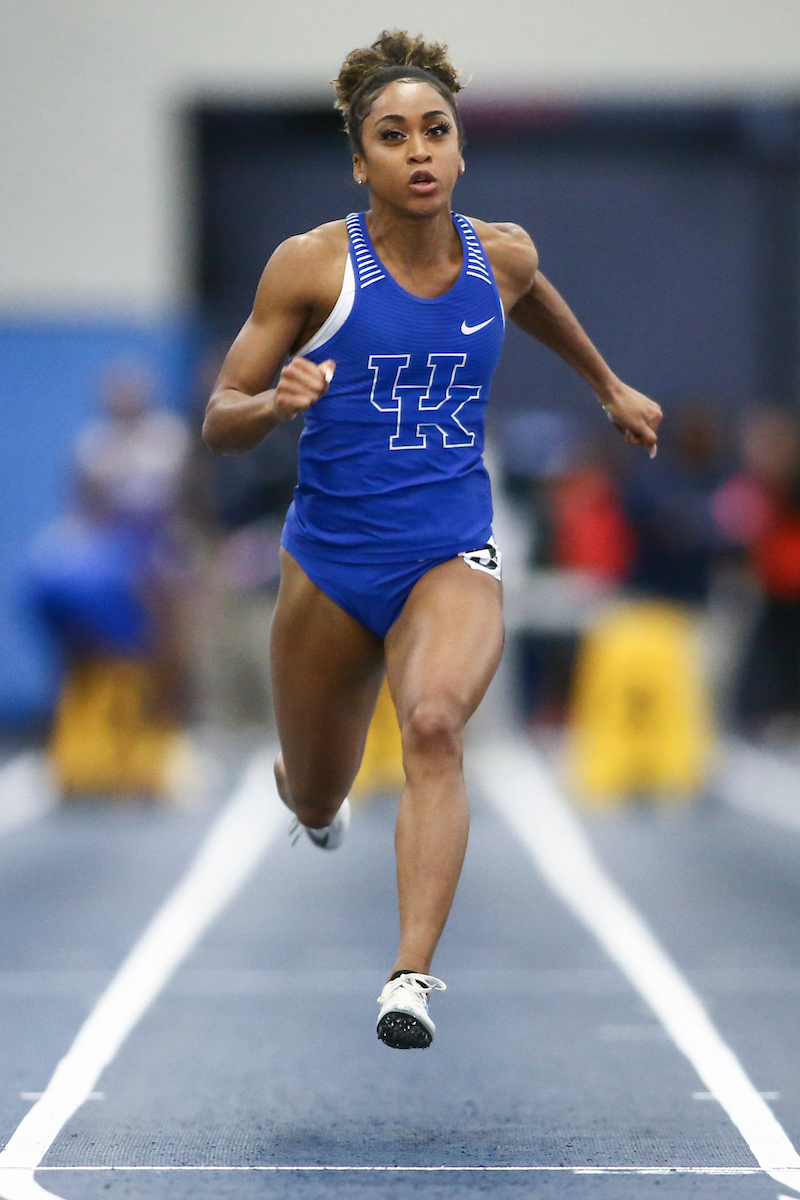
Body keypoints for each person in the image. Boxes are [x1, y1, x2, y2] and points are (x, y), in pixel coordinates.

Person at [203, 30, 662, 1049]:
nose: (417, 151)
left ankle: (408, 976)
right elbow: (218, 414)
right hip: (326, 559)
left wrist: (606, 385)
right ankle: (308, 794)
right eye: (391, 135)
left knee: (435, 726)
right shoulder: (313, 267)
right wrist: (273, 402)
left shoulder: (499, 255)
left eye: (434, 132)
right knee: (316, 783)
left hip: (448, 549)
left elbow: (529, 296)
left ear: (458, 154)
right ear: (358, 161)